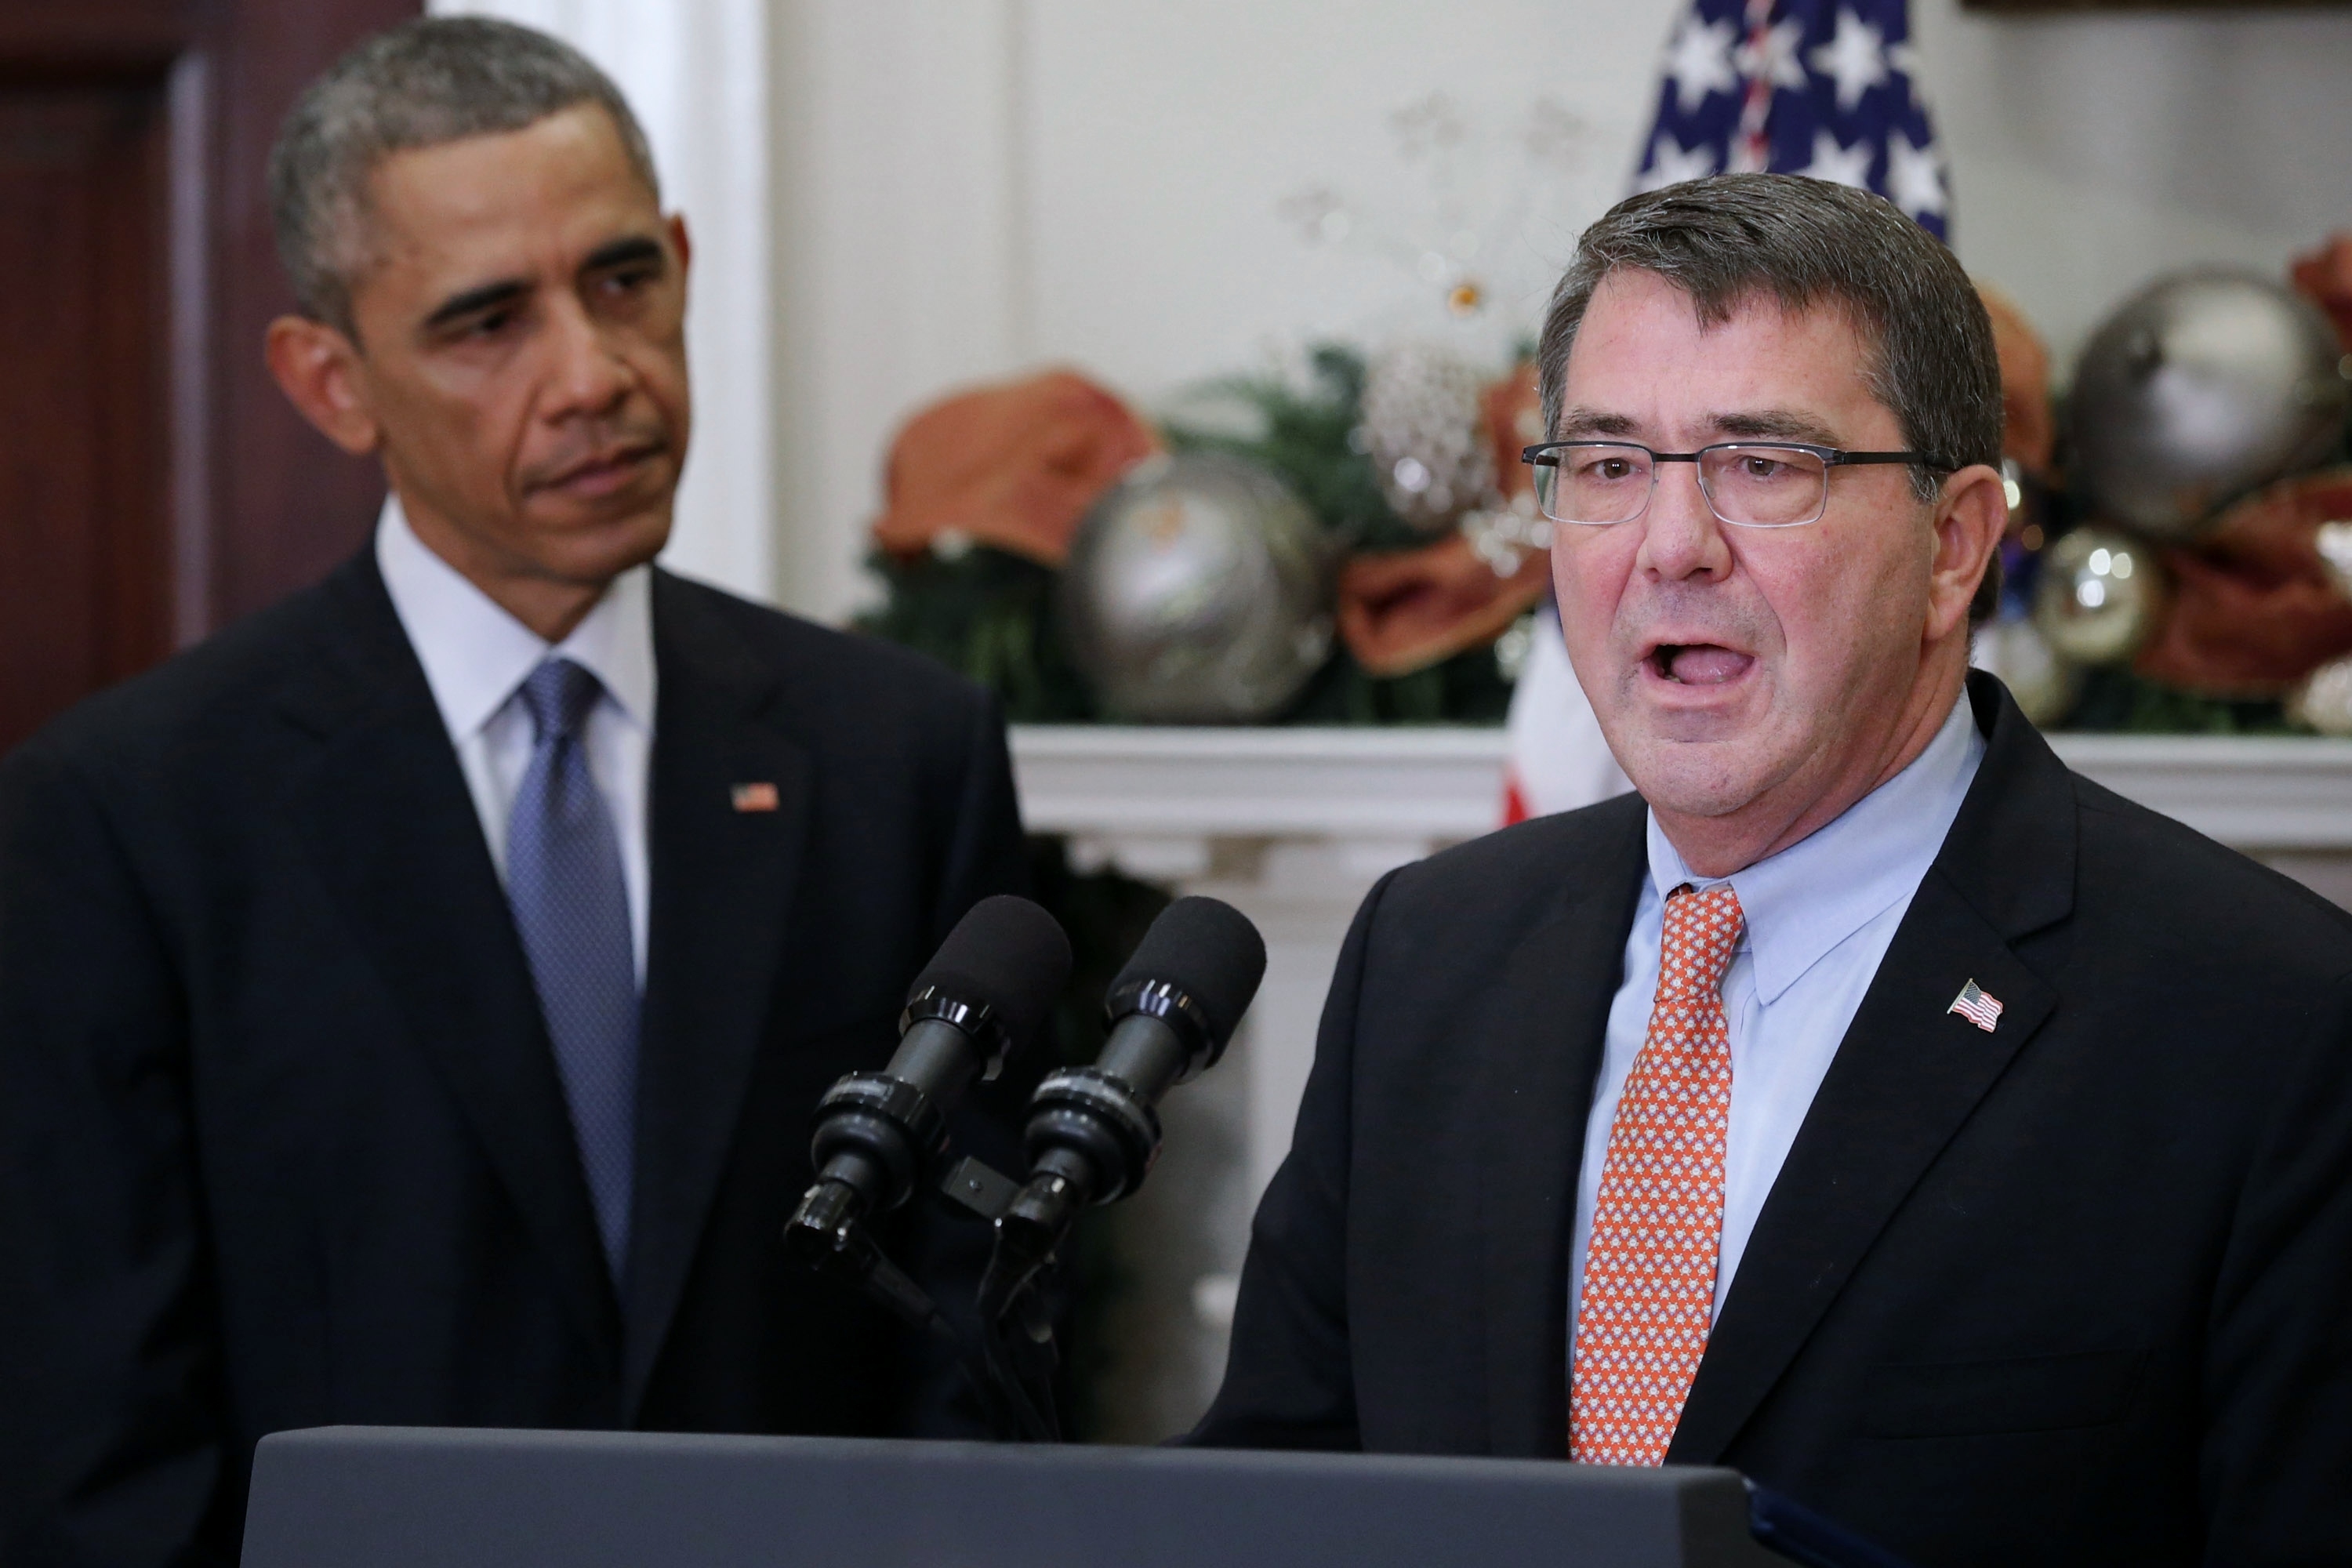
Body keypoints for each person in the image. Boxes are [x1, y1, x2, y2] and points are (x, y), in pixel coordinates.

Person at [1194, 174, 2352, 1567]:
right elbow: (1269, 1508)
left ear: (1955, 544)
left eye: (1764, 465)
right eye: (1611, 467)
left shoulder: (2266, 1021)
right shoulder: (1429, 956)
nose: (1671, 548)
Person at [0, 19, 1031, 1566]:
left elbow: (975, 1335)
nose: (593, 376)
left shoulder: (900, 755)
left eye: (624, 281)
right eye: (487, 323)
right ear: (330, 381)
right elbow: (97, 1446)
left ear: (682, 259)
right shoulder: (125, 818)